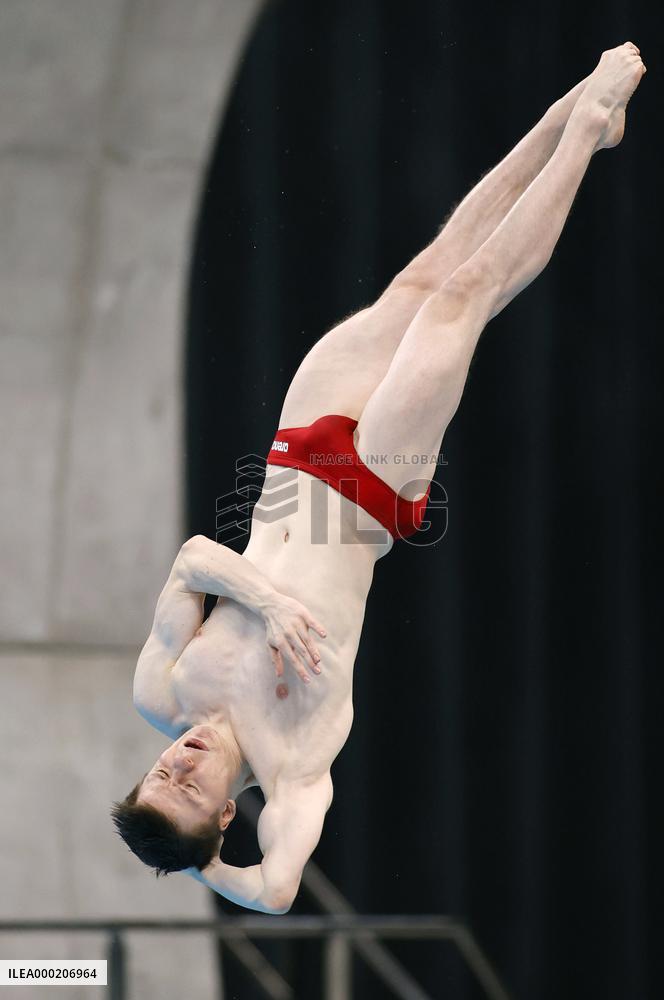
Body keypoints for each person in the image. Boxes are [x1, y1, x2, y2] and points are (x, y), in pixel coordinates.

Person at [112, 44, 645, 913]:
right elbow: (278, 893)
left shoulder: (161, 692)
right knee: (463, 297)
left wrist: (274, 605)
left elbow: (191, 559)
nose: (175, 765)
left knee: (422, 274)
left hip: (295, 457)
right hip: (370, 488)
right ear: (220, 821)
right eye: (185, 791)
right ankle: (586, 131)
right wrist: (202, 867)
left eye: (156, 774)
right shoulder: (297, 768)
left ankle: (568, 112)